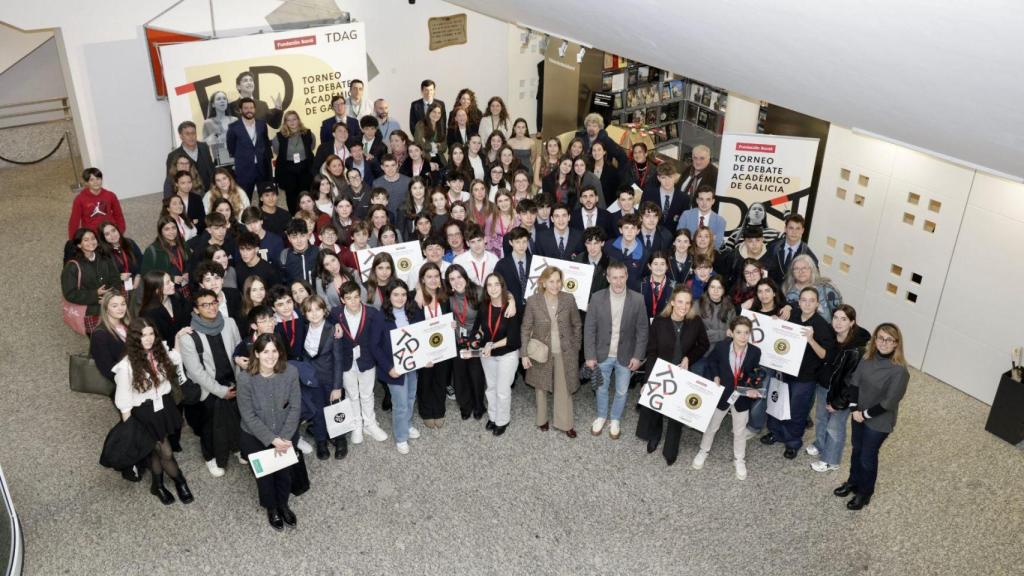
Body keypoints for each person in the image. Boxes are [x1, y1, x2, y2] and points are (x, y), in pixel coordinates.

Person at [112, 318, 192, 505]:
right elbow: (124, 402)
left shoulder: (159, 352)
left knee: (154, 451)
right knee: (166, 452)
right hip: (144, 413)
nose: (148, 339)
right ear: (135, 338)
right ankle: (180, 481)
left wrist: (177, 338)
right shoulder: (126, 366)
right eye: (142, 335)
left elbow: (175, 359)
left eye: (151, 334)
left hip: (163, 407)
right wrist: (130, 431)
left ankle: (158, 485)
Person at [834, 323, 910, 510]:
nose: (884, 343)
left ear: (896, 343)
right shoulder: (867, 358)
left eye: (889, 340)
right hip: (858, 413)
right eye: (880, 338)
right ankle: (853, 482)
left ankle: (865, 492)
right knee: (856, 450)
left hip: (879, 421)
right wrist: (854, 409)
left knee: (867, 457)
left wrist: (863, 414)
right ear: (875, 339)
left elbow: (889, 402)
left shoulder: (899, 371)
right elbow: (854, 384)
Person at [236, 333, 304, 530]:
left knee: (284, 472)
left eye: (274, 351)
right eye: (265, 351)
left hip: (285, 432)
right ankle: (271, 507)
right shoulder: (245, 379)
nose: (271, 356)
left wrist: (284, 437)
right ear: (257, 353)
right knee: (264, 476)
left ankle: (283, 504)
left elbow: (295, 407)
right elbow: (248, 416)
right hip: (254, 436)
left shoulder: (291, 372)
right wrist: (273, 440)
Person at [636, 286, 709, 465]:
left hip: (683, 374)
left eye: (687, 303)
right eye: (680, 302)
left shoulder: (695, 321)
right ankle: (655, 436)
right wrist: (647, 381)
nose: (684, 306)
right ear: (672, 302)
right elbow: (652, 352)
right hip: (662, 372)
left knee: (677, 413)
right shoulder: (659, 322)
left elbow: (704, 345)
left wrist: (689, 358)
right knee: (658, 408)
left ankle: (671, 449)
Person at [177, 288, 244, 477]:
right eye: (205, 305)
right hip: (208, 388)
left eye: (213, 303)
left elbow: (239, 350)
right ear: (196, 309)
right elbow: (196, 372)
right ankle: (210, 457)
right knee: (210, 425)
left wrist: (240, 381)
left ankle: (237, 447)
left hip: (233, 381)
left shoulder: (229, 323)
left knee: (236, 417)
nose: (211, 308)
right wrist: (221, 391)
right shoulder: (189, 336)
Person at [763, 287, 835, 459]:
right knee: (777, 402)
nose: (807, 304)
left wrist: (811, 340)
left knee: (797, 410)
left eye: (811, 301)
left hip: (805, 376)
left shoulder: (821, 325)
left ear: (817, 304)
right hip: (784, 370)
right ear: (799, 302)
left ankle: (792, 442)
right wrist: (775, 323)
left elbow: (825, 355)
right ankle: (775, 432)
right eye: (804, 300)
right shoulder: (793, 315)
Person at [692, 316, 764, 479]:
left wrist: (753, 387)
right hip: (723, 394)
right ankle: (703, 451)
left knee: (740, 431)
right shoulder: (721, 347)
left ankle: (739, 459)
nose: (743, 336)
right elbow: (712, 362)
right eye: (739, 332)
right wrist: (716, 375)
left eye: (746, 333)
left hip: (741, 397)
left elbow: (754, 373)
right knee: (712, 426)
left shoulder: (755, 352)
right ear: (731, 332)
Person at [584, 261, 648, 439]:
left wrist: (638, 356)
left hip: (626, 355)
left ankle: (615, 418)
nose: (618, 282)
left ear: (627, 276)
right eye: (614, 278)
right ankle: (602, 416)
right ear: (608, 278)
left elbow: (643, 330)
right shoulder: (597, 298)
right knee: (601, 388)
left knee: (622, 391)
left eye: (621, 277)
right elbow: (589, 329)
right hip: (601, 354)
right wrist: (589, 355)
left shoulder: (638, 299)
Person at [521, 266, 582, 438]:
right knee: (541, 386)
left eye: (558, 281)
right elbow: (526, 328)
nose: (555, 285)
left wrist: (576, 346)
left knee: (564, 386)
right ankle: (542, 420)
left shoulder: (568, 299)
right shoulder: (533, 301)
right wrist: (524, 354)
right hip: (541, 351)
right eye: (551, 281)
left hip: (564, 351)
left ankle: (565, 423)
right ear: (543, 282)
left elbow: (577, 324)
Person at [808, 304, 870, 472]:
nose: (838, 322)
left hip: (842, 393)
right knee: (821, 419)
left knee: (835, 426)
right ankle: (821, 444)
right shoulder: (829, 335)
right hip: (824, 385)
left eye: (844, 319)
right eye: (836, 318)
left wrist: (839, 402)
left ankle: (831, 460)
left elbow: (852, 381)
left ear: (852, 322)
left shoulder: (857, 349)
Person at [331, 281, 390, 444]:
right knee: (352, 394)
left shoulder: (372, 313)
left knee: (367, 394)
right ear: (342, 300)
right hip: (346, 361)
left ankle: (370, 423)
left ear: (360, 296)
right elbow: (328, 319)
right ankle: (357, 424)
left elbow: (380, 336)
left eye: (356, 297)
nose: (353, 301)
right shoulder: (336, 313)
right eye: (349, 298)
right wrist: (335, 323)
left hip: (367, 359)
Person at [297, 295, 349, 461]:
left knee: (335, 408)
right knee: (317, 411)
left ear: (324, 310)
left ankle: (340, 439)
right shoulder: (303, 329)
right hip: (312, 380)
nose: (314, 314)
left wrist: (337, 387)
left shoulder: (333, 330)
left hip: (329, 378)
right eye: (309, 310)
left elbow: (338, 360)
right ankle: (321, 440)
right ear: (304, 314)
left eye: (317, 309)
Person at [469, 273, 521, 436]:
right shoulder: (484, 306)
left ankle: (502, 420)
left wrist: (492, 345)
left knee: (502, 389)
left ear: (502, 286)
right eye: (489, 285)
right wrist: (475, 340)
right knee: (491, 387)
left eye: (496, 284)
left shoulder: (511, 308)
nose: (493, 288)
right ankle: (493, 416)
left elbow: (513, 338)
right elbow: (478, 328)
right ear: (486, 288)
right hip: (488, 354)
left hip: (507, 354)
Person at [377, 281, 423, 454]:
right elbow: (374, 346)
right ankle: (401, 437)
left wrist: (426, 358)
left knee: (411, 397)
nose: (400, 298)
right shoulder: (380, 316)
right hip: (394, 369)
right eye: (395, 294)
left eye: (403, 294)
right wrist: (389, 368)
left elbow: (422, 335)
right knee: (400, 404)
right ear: (389, 296)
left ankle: (407, 424)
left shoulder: (413, 311)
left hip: (412, 364)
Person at [63, 228, 122, 333]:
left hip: (109, 304)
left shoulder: (104, 257)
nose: (91, 242)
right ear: (79, 245)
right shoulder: (72, 266)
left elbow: (115, 278)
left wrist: (109, 296)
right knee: (98, 337)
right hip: (91, 311)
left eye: (93, 238)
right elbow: (70, 294)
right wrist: (95, 294)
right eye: (86, 240)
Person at [226, 98, 273, 196]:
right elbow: (231, 147)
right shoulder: (233, 127)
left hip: (262, 168)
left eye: (251, 108)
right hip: (244, 170)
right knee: (245, 198)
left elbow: (265, 143)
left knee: (265, 196)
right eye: (246, 108)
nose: (249, 110)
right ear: (240, 110)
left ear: (254, 109)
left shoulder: (262, 124)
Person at [272, 110, 316, 213]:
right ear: (285, 122)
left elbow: (311, 147)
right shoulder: (279, 137)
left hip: (305, 167)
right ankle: (294, 215)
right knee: (291, 194)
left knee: (306, 193)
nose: (292, 122)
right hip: (288, 169)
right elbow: (278, 152)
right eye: (289, 120)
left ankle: (308, 213)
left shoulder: (308, 133)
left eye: (294, 119)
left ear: (298, 120)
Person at [67, 168, 125, 240]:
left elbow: (118, 215)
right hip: (92, 235)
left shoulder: (111, 195)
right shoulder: (79, 200)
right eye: (92, 180)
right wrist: (72, 241)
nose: (96, 182)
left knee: (129, 244)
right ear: (86, 183)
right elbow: (74, 221)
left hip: (109, 231)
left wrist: (120, 230)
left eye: (98, 179)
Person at [140, 217, 191, 298]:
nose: (171, 232)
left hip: (186, 289)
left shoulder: (182, 244)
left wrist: (188, 272)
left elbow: (191, 262)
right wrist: (172, 278)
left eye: (173, 228)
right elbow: (146, 276)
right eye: (167, 229)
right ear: (161, 231)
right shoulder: (152, 250)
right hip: (166, 293)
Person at [782, 255, 843, 321]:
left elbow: (840, 313)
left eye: (804, 268)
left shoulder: (826, 289)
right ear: (792, 272)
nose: (801, 271)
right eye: (796, 269)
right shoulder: (787, 289)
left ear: (812, 269)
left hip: (824, 327)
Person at [138, 270, 191, 347]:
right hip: (168, 350)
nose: (173, 284)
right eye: (168, 283)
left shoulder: (177, 297)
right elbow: (157, 341)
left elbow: (188, 316)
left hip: (187, 343)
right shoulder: (147, 313)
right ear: (156, 289)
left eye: (171, 281)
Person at [166, 121, 215, 192]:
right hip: (190, 195)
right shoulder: (173, 156)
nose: (191, 136)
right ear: (181, 136)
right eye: (187, 134)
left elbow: (211, 169)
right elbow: (171, 181)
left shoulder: (204, 147)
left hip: (210, 192)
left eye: (193, 133)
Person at [604, 213, 645, 291]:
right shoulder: (608, 246)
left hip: (632, 294)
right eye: (626, 227)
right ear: (620, 230)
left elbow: (644, 279)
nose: (629, 231)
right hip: (609, 291)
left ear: (638, 231)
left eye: (633, 228)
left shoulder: (645, 253)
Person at [641, 162, 686, 229]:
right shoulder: (648, 194)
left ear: (675, 177)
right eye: (663, 178)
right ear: (658, 178)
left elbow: (684, 223)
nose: (667, 181)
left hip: (674, 234)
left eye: (670, 177)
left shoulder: (684, 198)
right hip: (651, 233)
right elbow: (641, 216)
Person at [203, 90, 237, 166]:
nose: (222, 101)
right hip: (220, 162)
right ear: (213, 104)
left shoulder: (234, 120)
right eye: (218, 99)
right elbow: (204, 144)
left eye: (224, 99)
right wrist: (214, 137)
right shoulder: (208, 123)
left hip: (237, 159)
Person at [641, 252, 675, 319]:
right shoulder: (640, 284)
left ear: (667, 266)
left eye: (662, 264)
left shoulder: (675, 287)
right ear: (649, 266)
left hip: (665, 324)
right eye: (655, 264)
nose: (659, 267)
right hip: (643, 323)